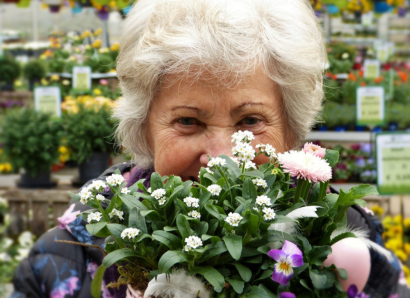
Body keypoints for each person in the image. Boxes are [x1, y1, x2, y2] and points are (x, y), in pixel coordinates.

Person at [11, 0, 409, 297]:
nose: (220, 157)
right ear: (144, 131)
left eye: (250, 121)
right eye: (188, 121)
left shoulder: (347, 252)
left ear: (291, 132)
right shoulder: (62, 261)